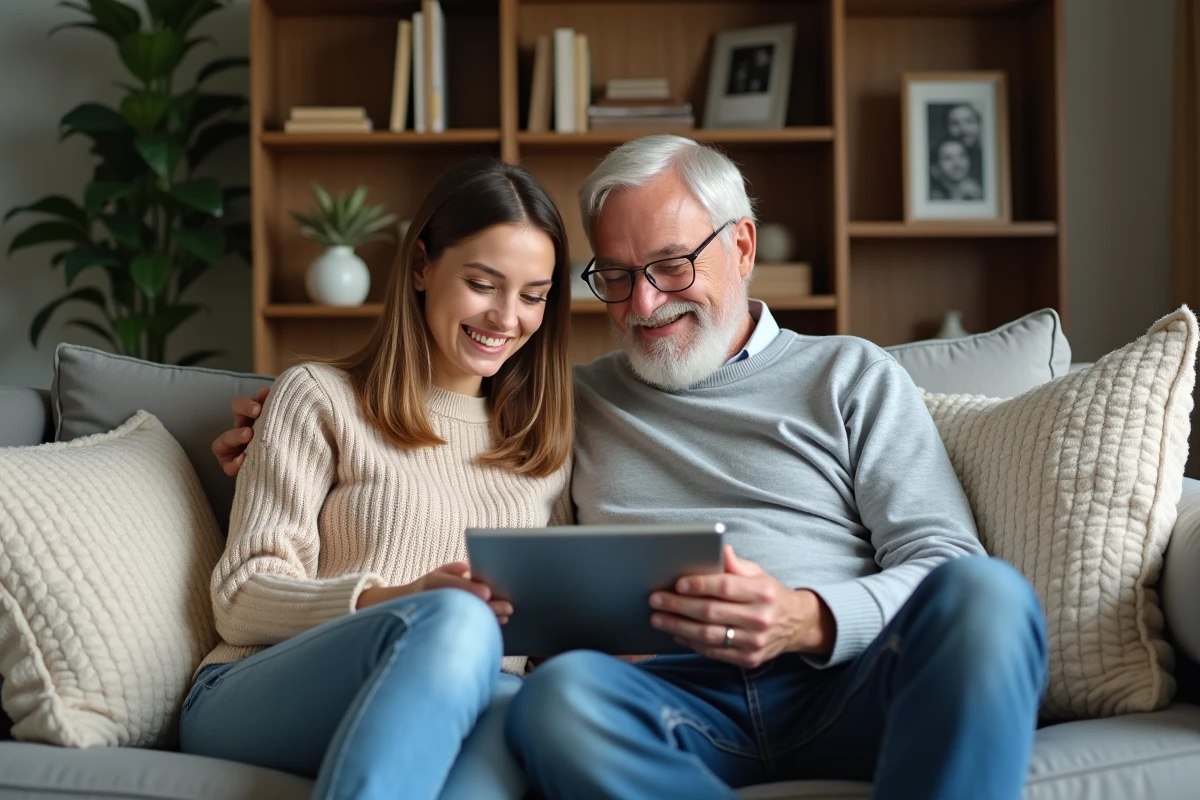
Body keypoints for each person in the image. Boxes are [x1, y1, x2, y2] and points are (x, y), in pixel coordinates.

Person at [215, 135, 1049, 799]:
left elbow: (946, 564)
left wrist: (806, 617)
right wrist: (270, 425)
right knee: (559, 701)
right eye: (614, 277)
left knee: (990, 595)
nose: (644, 305)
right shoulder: (562, 406)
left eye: (671, 266)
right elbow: (420, 423)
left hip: (842, 684)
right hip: (667, 703)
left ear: (743, 245)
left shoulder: (852, 375)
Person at [185, 157, 574, 800]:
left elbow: (536, 638)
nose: (508, 318)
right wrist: (403, 599)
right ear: (421, 266)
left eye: (533, 296)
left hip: (474, 696)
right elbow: (242, 597)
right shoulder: (319, 398)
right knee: (455, 621)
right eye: (483, 283)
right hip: (260, 689)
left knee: (518, 716)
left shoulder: (544, 446)